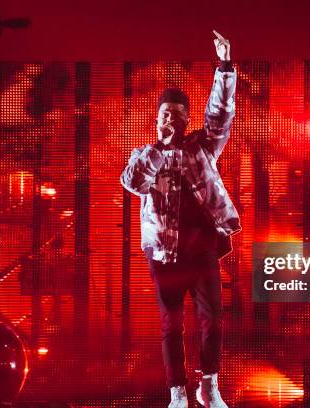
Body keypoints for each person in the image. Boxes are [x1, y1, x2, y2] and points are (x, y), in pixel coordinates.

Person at [120, 31, 240, 408]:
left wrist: (224, 67)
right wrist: (160, 146)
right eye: (163, 114)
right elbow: (132, 181)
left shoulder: (202, 148)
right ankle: (177, 394)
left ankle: (210, 387)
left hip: (202, 250)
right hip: (164, 255)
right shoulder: (146, 154)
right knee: (171, 326)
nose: (167, 118)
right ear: (157, 119)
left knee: (212, 321)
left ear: (187, 119)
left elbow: (220, 116)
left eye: (175, 114)